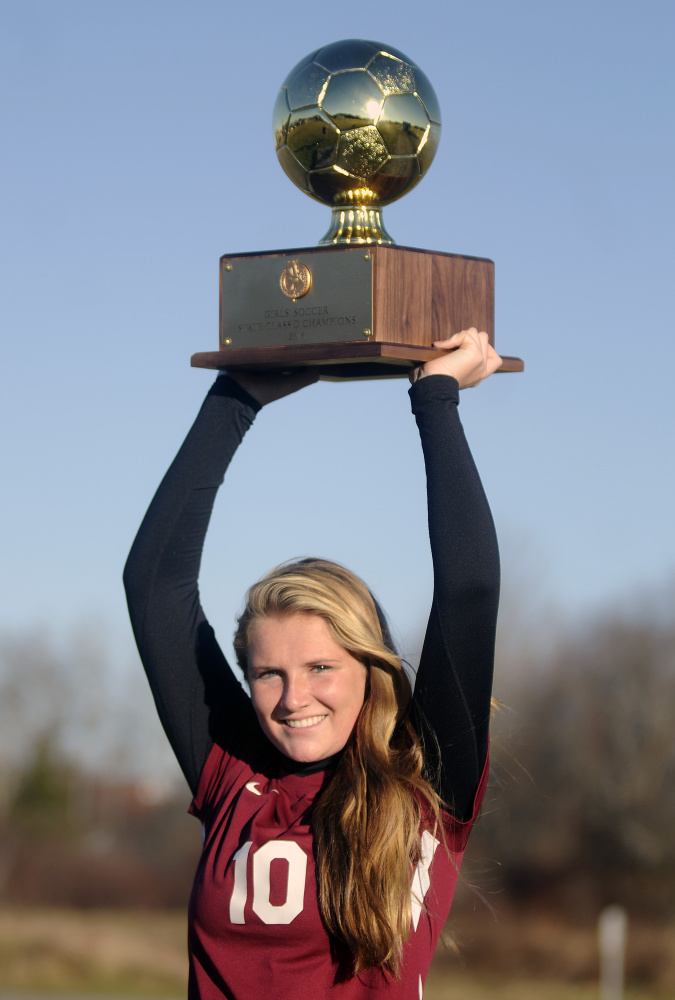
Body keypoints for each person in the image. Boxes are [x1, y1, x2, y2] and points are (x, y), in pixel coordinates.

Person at [123, 328, 502, 999]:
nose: (293, 697)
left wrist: (435, 398)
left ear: (369, 665)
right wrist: (235, 397)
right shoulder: (232, 768)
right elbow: (153, 587)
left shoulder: (423, 774)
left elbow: (468, 589)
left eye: (321, 668)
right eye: (267, 674)